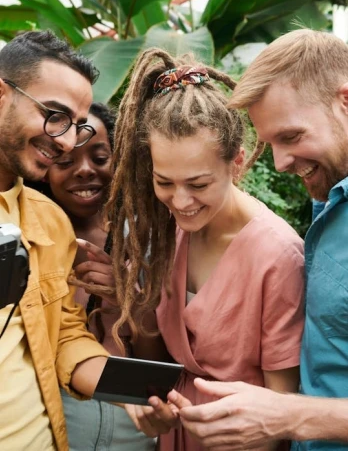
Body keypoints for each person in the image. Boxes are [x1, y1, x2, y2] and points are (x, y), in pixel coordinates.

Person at [103, 47, 305, 451]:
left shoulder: (278, 256)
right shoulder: (166, 234)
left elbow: (281, 408)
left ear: (237, 163)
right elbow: (159, 360)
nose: (180, 202)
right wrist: (149, 407)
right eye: (164, 182)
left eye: (198, 184)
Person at [175, 28, 348, 451]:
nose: (282, 162)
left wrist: (287, 414)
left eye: (291, 136)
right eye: (270, 143)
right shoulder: (332, 194)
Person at [0, 30, 112, 451]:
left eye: (77, 127)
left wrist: (128, 393)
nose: (65, 140)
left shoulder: (51, 221)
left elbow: (63, 330)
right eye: (55, 114)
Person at [43, 101, 156, 450]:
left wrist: (128, 303)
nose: (84, 170)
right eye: (64, 161)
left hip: (133, 430)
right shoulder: (33, 241)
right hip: (54, 428)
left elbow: (157, 362)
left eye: (100, 158)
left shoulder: (146, 240)